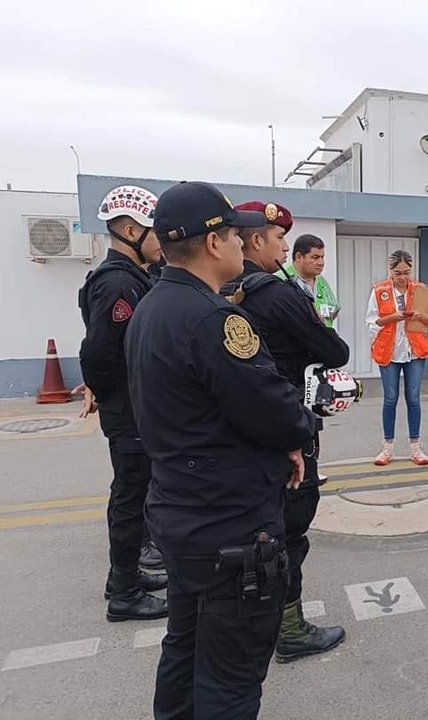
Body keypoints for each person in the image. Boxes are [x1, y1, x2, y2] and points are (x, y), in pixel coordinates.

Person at [125, 181, 316, 719]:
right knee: (231, 676)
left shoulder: (152, 308)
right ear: (213, 243)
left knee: (184, 650)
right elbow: (274, 409)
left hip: (180, 514)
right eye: (235, 234)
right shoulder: (216, 320)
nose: (242, 244)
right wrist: (299, 435)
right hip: (230, 525)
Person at [223, 201, 351, 662]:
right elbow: (333, 350)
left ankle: (251, 623)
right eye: (280, 240)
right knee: (289, 528)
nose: (284, 248)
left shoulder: (215, 292)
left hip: (233, 435)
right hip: (285, 426)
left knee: (248, 530)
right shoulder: (278, 294)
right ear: (256, 240)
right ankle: (290, 628)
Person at [78, 184, 168, 622]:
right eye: (156, 233)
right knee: (131, 496)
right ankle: (125, 592)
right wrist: (116, 395)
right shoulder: (117, 282)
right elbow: (98, 352)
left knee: (138, 492)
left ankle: (126, 577)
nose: (162, 242)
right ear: (131, 230)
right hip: (130, 411)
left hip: (132, 408)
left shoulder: (134, 278)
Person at [365, 249, 428, 466]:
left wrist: (421, 316)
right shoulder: (379, 291)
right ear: (390, 271)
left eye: (406, 272)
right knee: (390, 398)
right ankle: (387, 447)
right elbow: (371, 322)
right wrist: (392, 317)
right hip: (389, 350)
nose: (402, 277)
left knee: (413, 399)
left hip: (414, 351)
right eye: (398, 273)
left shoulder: (421, 290)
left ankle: (415, 447)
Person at [277, 233, 341, 328]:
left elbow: (335, 308)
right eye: (315, 258)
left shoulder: (321, 281)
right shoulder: (281, 281)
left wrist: (321, 313)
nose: (321, 263)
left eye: (322, 257)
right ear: (299, 257)